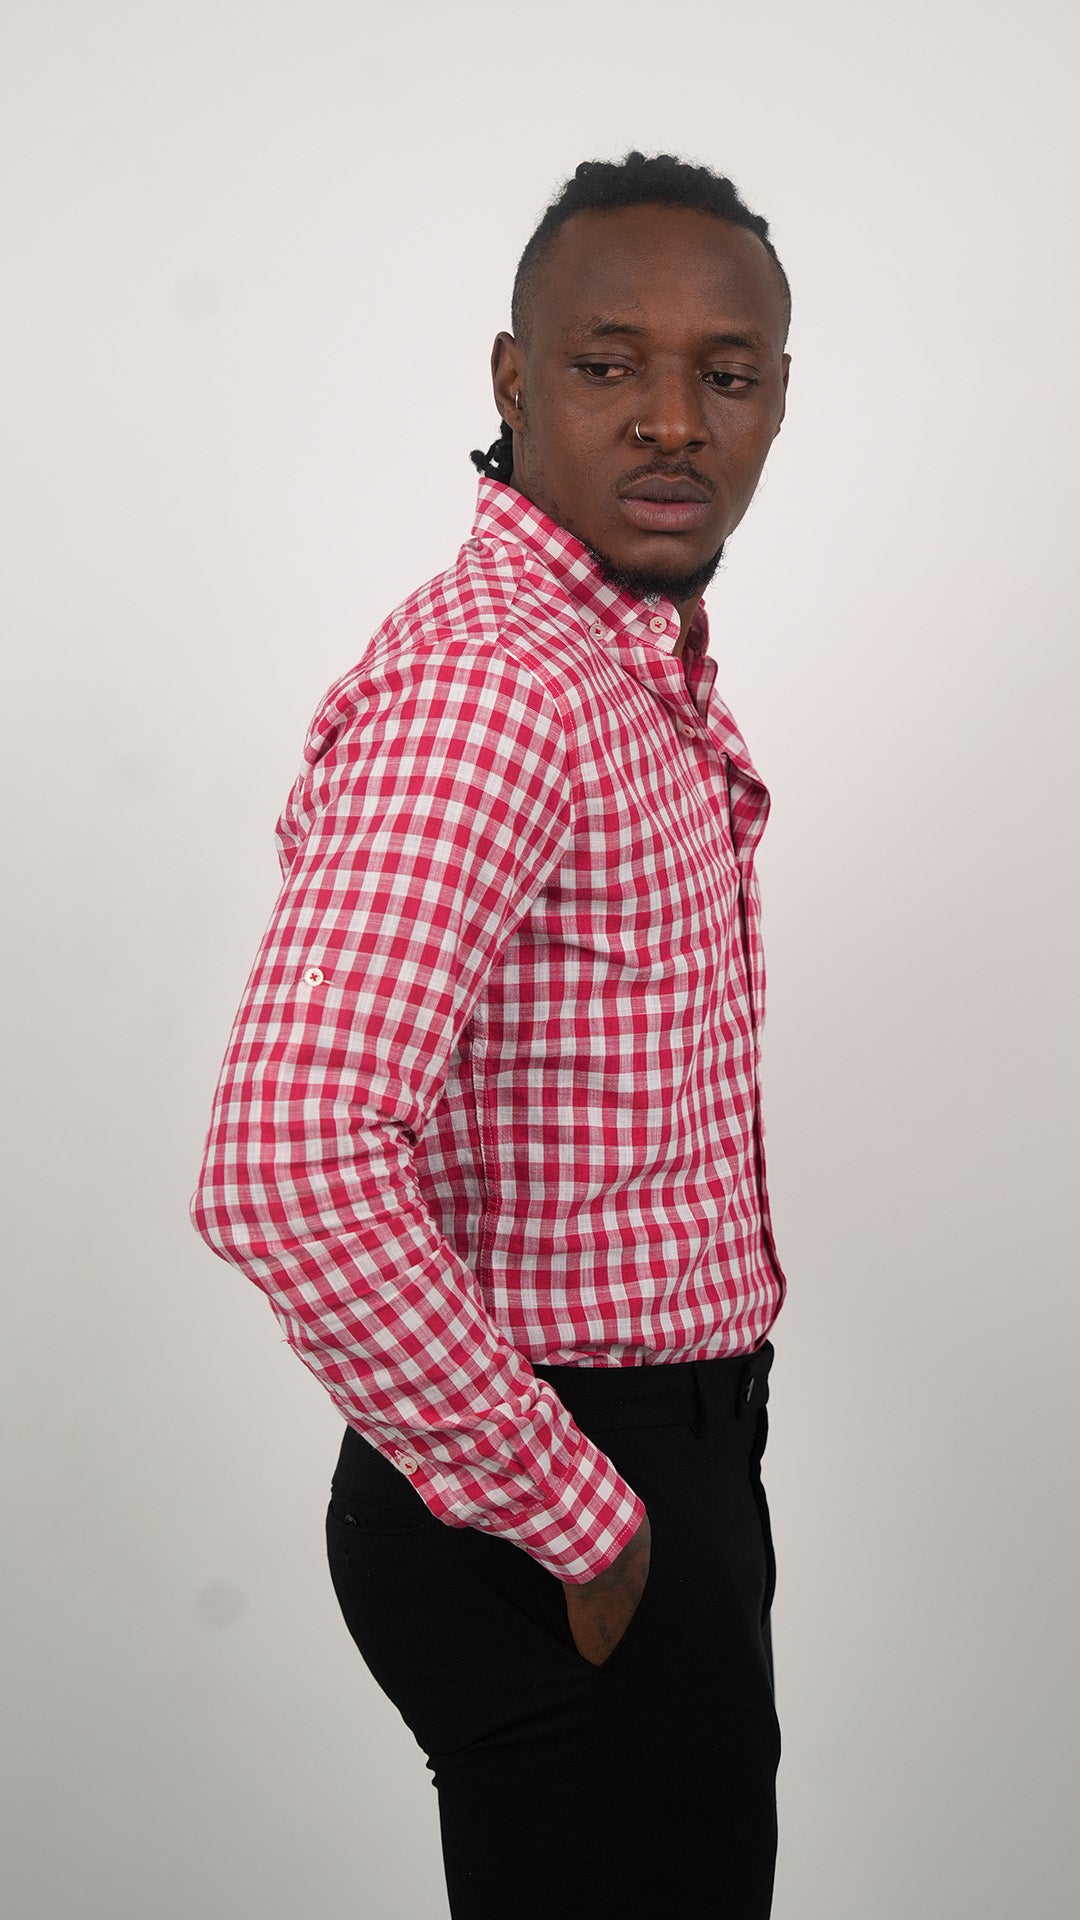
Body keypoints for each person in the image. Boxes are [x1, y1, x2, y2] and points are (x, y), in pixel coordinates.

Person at [191, 149, 792, 1919]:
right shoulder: (500, 681)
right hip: (555, 1479)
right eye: (609, 365)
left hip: (633, 1459)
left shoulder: (611, 661)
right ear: (516, 383)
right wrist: (582, 1522)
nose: (673, 420)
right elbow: (285, 1160)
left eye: (726, 373)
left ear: (780, 397)